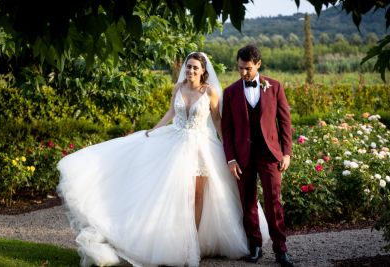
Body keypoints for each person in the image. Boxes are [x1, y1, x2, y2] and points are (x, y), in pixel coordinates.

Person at [57, 52, 269, 267]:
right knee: (173, 191)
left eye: (195, 67)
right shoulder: (177, 88)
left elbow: (217, 121)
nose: (191, 71)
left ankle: (193, 240)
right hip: (174, 143)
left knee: (197, 194)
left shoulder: (210, 92)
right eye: (188, 67)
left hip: (200, 148)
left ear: (203, 70)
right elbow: (171, 112)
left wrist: (228, 150)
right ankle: (173, 238)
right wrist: (153, 131)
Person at [221, 45, 294, 267]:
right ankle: (255, 246)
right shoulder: (230, 92)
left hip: (270, 155)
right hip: (242, 157)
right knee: (248, 202)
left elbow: (285, 122)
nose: (243, 73)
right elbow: (227, 129)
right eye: (240, 68)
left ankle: (281, 249)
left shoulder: (275, 87)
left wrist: (287, 153)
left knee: (274, 203)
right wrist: (231, 159)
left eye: (248, 69)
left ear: (258, 64)